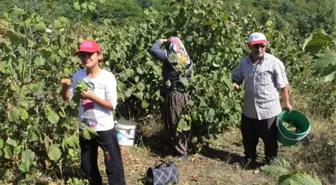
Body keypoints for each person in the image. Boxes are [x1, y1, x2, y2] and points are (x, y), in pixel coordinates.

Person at [61, 40, 126, 185]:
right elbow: (68, 99)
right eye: (82, 55)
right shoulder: (79, 75)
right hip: (85, 127)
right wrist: (65, 88)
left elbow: (111, 106)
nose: (86, 58)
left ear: (99, 56)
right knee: (87, 165)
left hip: (104, 128)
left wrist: (91, 97)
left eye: (90, 54)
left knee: (113, 165)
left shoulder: (107, 77)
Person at [231, 32, 293, 165]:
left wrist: (286, 102)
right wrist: (235, 83)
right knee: (248, 136)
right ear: (249, 46)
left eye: (262, 46)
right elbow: (236, 77)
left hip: (268, 110)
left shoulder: (274, 62)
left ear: (265, 46)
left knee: (269, 138)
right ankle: (250, 158)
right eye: (256, 46)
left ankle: (271, 162)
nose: (259, 49)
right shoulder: (244, 63)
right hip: (249, 108)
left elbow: (283, 85)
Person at [150, 37, 193, 160]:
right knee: (177, 122)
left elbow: (154, 50)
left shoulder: (171, 56)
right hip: (183, 95)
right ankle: (175, 148)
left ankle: (181, 152)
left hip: (174, 95)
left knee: (174, 124)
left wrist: (161, 41)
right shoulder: (187, 59)